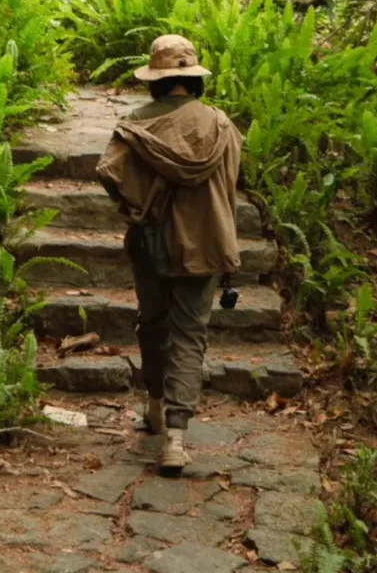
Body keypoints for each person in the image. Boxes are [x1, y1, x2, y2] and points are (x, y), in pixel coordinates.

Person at [96, 34, 242, 475]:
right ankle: (176, 439)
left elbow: (109, 174)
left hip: (153, 243)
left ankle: (156, 406)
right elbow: (230, 183)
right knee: (189, 334)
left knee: (154, 323)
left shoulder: (134, 126)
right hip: (206, 242)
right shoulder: (221, 126)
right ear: (194, 80)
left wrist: (138, 207)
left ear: (154, 81)